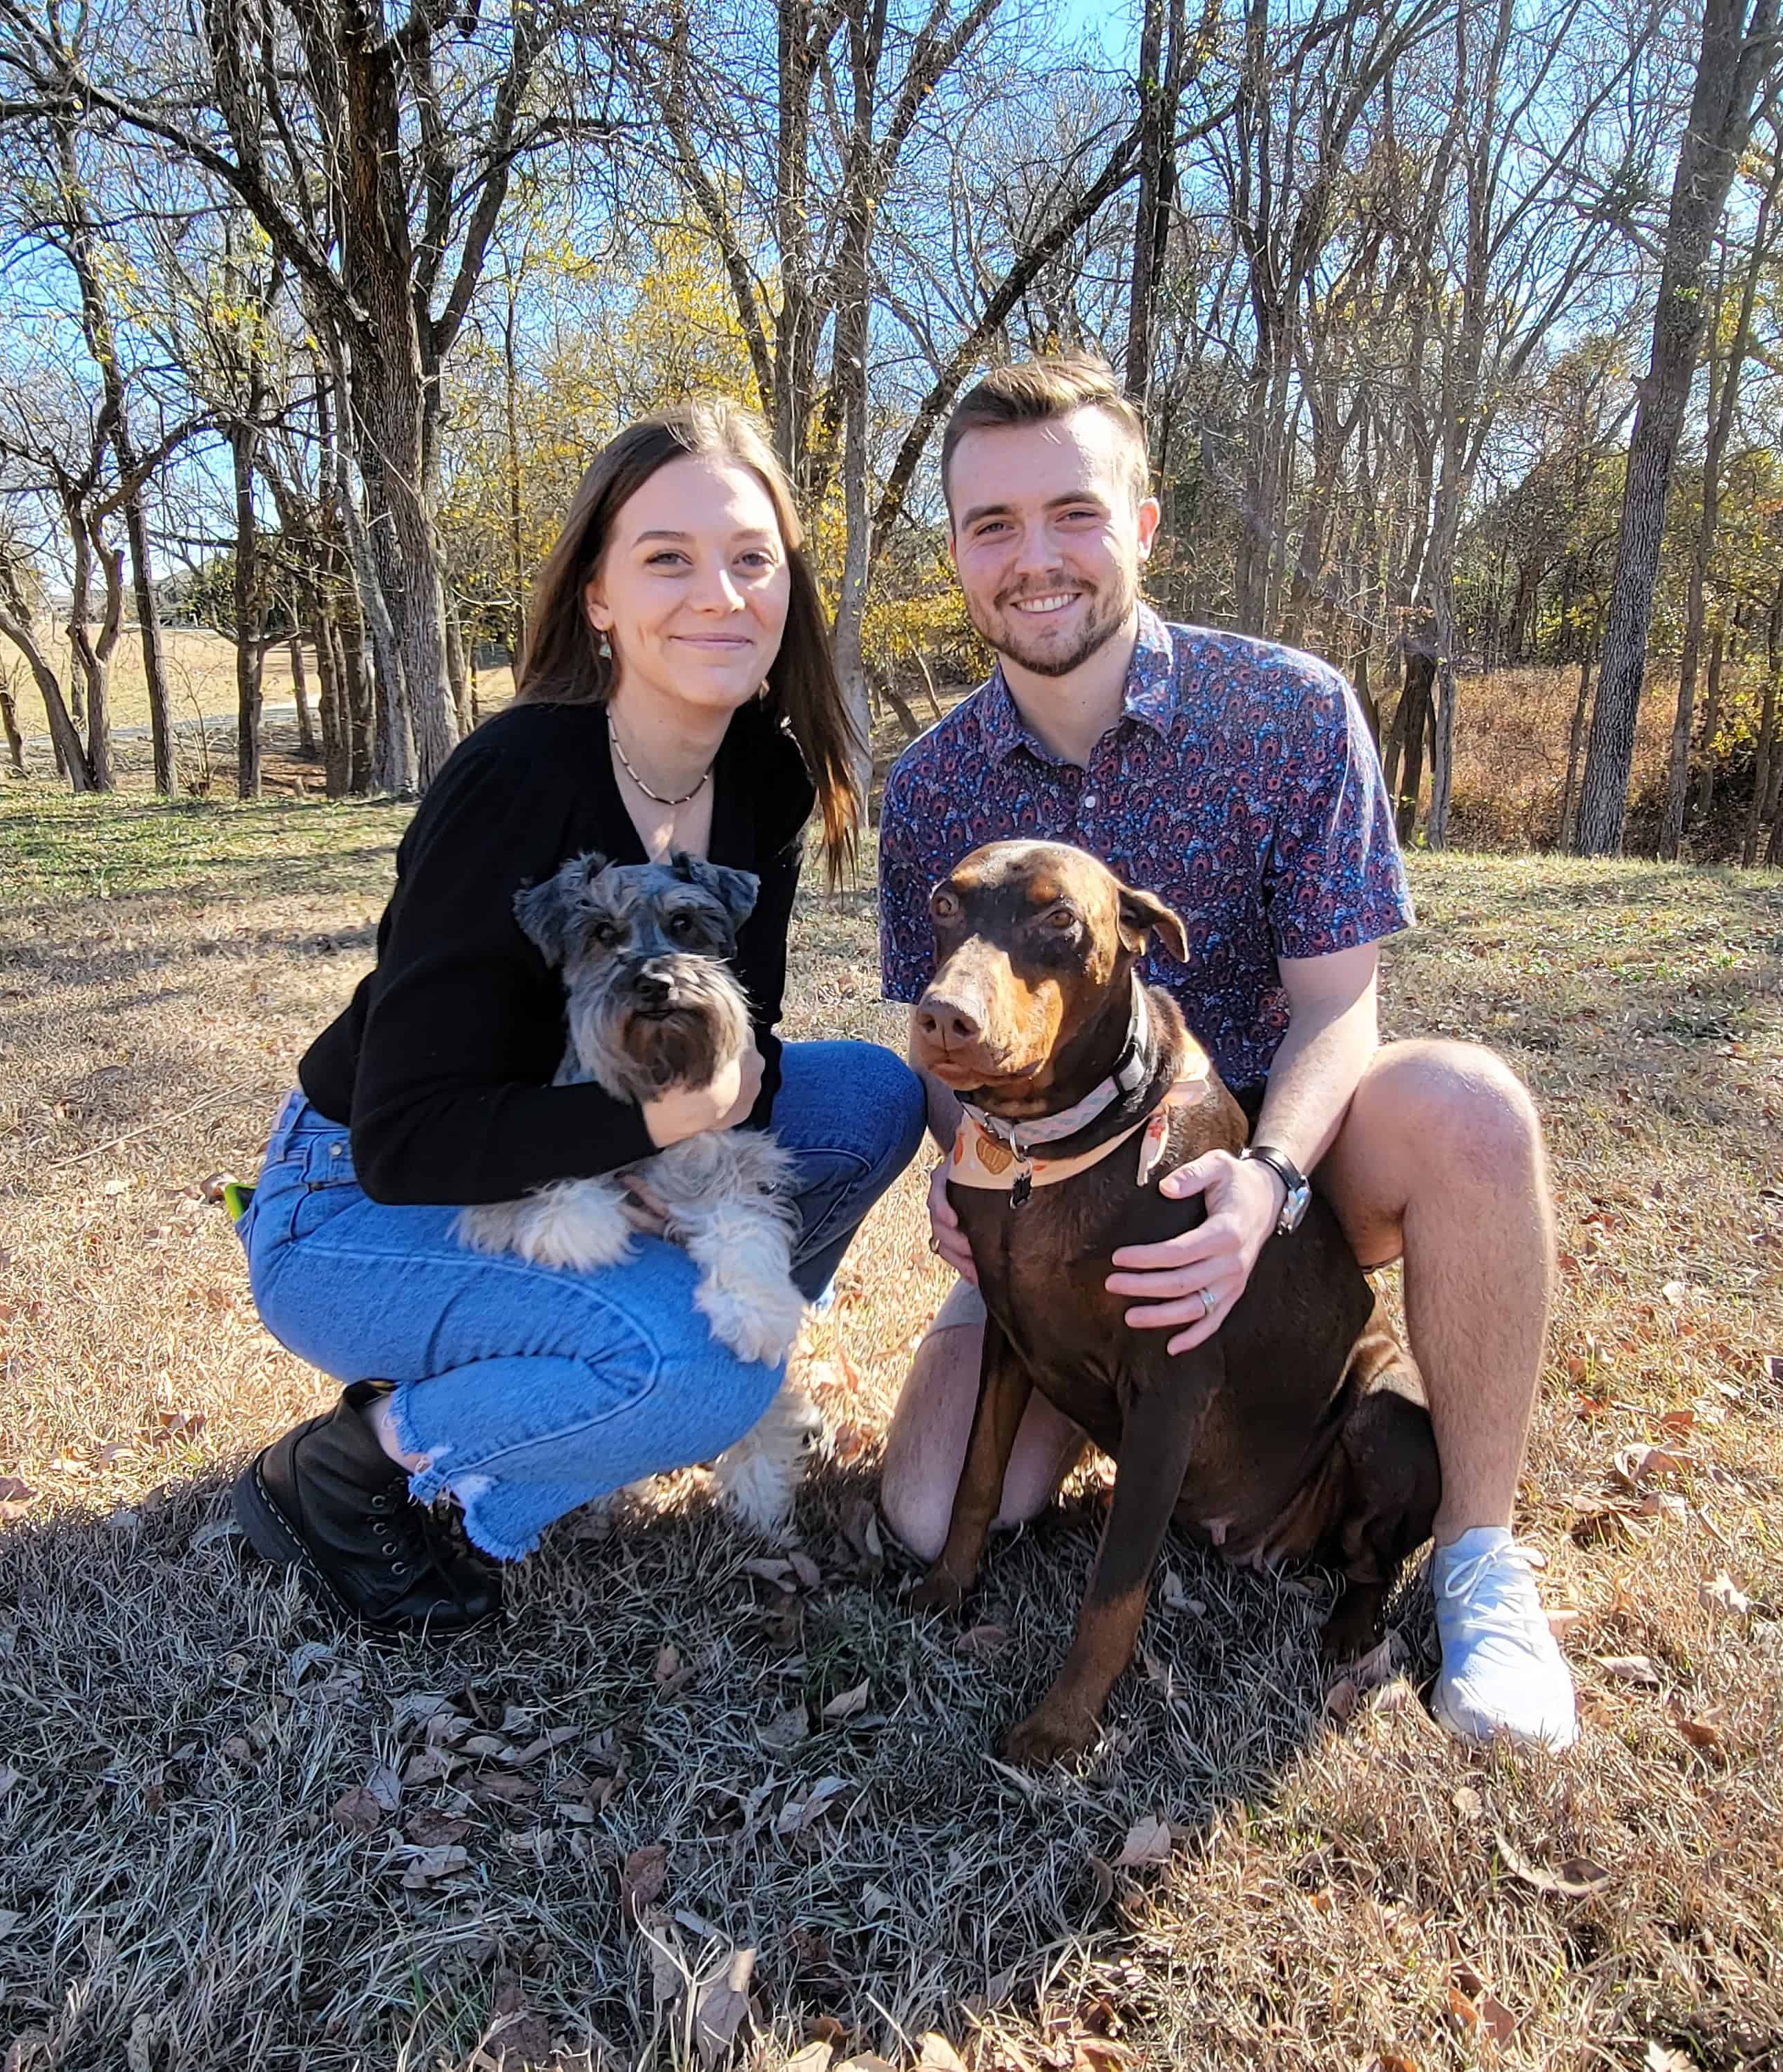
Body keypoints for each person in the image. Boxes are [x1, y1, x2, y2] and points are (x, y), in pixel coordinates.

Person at [875, 352, 1578, 1749]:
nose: (1034, 560)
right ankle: (1112, 1404)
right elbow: (933, 1028)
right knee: (918, 1509)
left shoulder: (1289, 712)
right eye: (990, 526)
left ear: (1140, 526)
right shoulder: (932, 784)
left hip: (1276, 1141)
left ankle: (1481, 1559)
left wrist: (1262, 1183)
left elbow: (1338, 1007)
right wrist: (963, 1172)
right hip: (1056, 1182)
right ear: (955, 551)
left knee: (1467, 1109)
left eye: (1071, 513)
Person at [233, 399, 926, 1630]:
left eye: (750, 559)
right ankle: (369, 1461)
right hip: (359, 1198)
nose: (718, 592)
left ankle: (649, 1372)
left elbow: (741, 1046)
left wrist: (693, 1168)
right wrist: (647, 1141)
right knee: (688, 1372)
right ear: (598, 596)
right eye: (667, 557)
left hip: (601, 1143)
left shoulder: (761, 770)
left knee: (872, 1094)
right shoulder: (515, 782)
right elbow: (406, 1143)